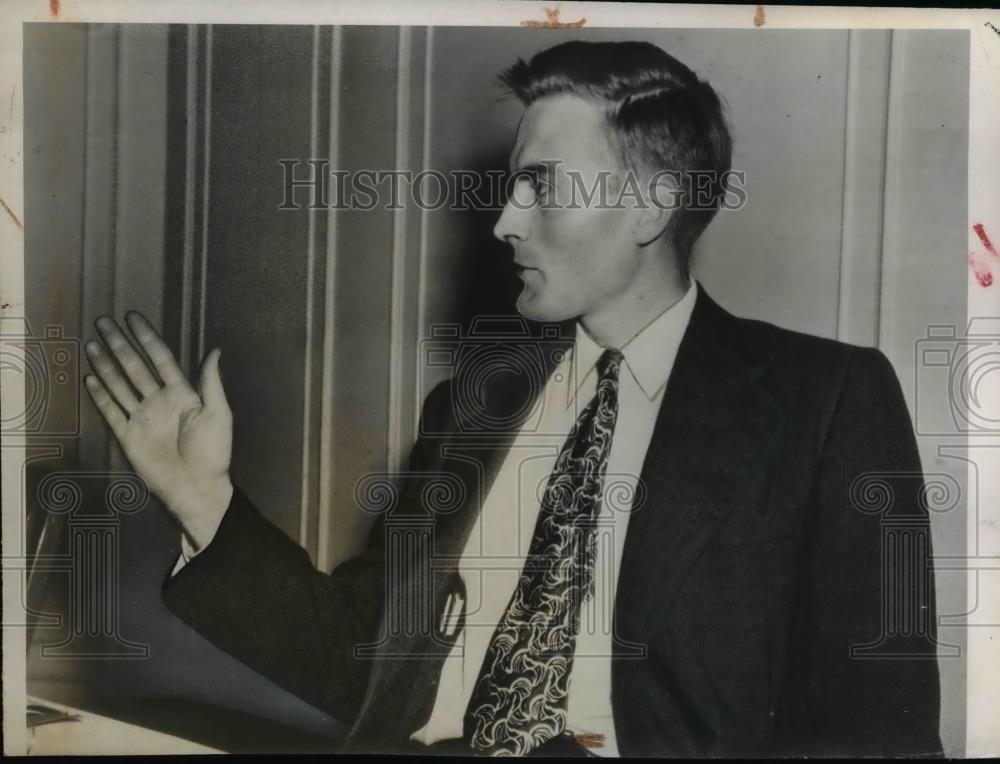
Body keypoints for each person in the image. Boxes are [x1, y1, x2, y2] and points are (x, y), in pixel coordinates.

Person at [84, 41, 942, 757]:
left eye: (542, 184)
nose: (504, 221)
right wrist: (201, 497)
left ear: (649, 204)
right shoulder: (472, 407)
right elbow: (364, 666)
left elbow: (879, 732)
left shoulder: (823, 403)